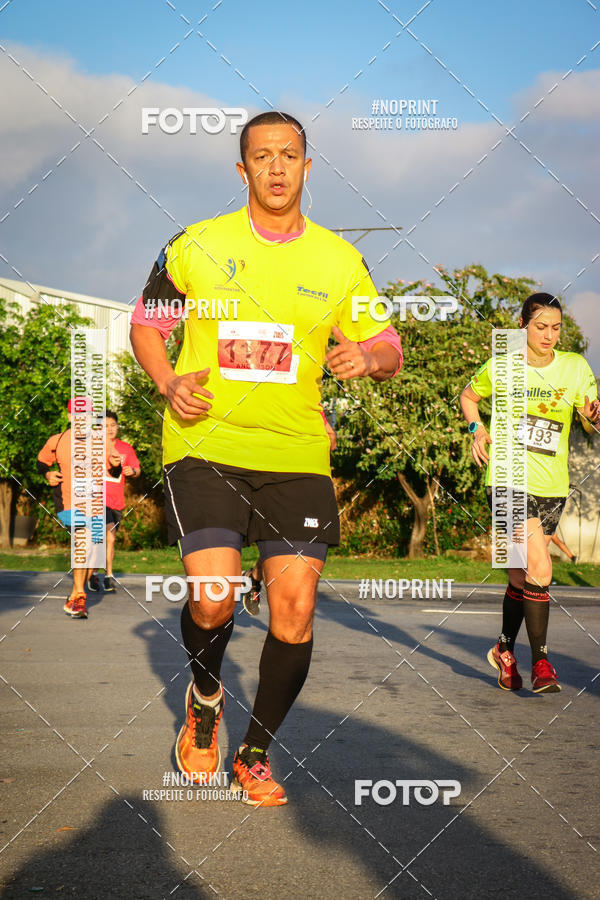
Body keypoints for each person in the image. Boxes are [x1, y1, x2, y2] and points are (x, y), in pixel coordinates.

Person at [130, 111, 402, 806]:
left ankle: (255, 753)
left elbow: (390, 345)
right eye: (261, 156)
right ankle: (204, 696)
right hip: (205, 444)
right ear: (242, 169)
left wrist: (366, 355)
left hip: (297, 453)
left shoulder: (338, 260)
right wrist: (166, 381)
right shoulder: (198, 243)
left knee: (294, 607)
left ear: (308, 167)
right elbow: (149, 323)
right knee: (215, 600)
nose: (276, 167)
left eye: (289, 155)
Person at [460, 293, 599, 693]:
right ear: (523, 325)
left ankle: (504, 649)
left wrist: (594, 417)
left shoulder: (574, 368)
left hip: (553, 486)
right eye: (541, 327)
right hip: (507, 481)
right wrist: (477, 429)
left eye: (556, 327)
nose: (549, 335)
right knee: (541, 567)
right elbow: (469, 396)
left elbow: (592, 416)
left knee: (523, 578)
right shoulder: (501, 366)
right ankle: (542, 662)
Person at [242, 410, 337, 617]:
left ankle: (253, 578)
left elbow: (330, 441)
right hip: (262, 469)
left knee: (293, 546)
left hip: (303, 476)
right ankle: (255, 579)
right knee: (279, 540)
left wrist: (323, 427)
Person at [37, 398, 105, 619]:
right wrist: (47, 474)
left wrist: (117, 463)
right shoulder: (57, 441)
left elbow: (113, 469)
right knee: (84, 543)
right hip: (69, 502)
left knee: (93, 551)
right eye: (78, 415)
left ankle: (76, 592)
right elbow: (42, 462)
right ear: (69, 417)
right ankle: (78, 595)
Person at [87, 411, 141, 593]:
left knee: (105, 540)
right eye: (105, 426)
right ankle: (108, 576)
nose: (110, 429)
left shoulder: (125, 448)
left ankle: (93, 573)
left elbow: (137, 469)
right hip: (96, 499)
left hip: (116, 502)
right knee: (108, 536)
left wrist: (131, 472)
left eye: (113, 425)